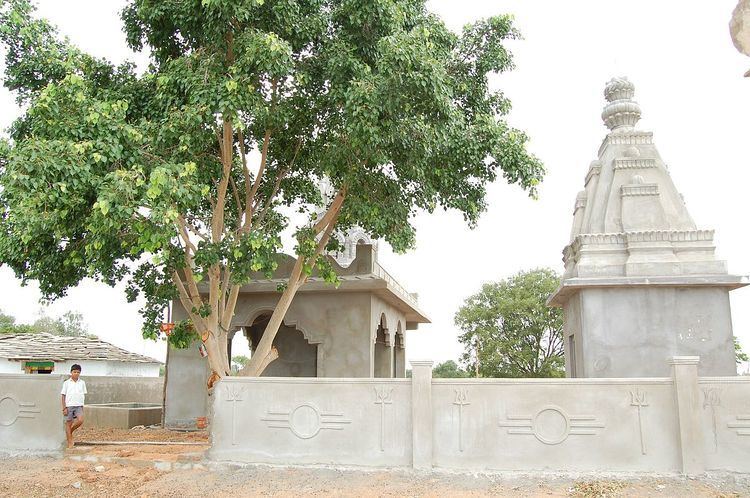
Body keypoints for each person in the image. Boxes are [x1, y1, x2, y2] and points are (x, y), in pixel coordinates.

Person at [60, 364, 87, 448]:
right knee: (68, 423)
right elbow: (63, 395)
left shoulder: (82, 383)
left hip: (79, 405)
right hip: (69, 406)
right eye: (74, 372)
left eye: (78, 372)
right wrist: (64, 408)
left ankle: (70, 431)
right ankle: (70, 442)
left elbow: (83, 395)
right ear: (71, 372)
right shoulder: (66, 383)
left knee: (80, 420)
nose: (76, 373)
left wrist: (82, 407)